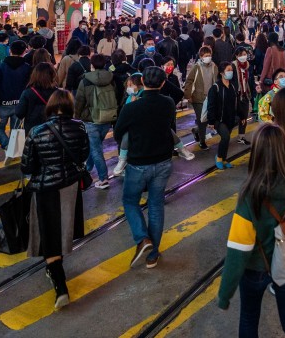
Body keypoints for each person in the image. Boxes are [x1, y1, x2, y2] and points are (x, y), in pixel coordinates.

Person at [216, 124, 285, 337]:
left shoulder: (250, 190)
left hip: (256, 269)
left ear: (256, 151)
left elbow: (239, 248)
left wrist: (225, 294)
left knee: (249, 319)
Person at [20, 89, 90, 310]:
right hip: (69, 185)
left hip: (45, 188)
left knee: (49, 235)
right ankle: (56, 268)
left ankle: (60, 287)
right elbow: (83, 155)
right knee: (65, 228)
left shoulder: (36, 131)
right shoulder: (79, 126)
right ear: (70, 106)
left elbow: (27, 166)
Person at [114, 66, 177, 270]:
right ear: (161, 83)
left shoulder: (132, 107)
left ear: (143, 84)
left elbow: (118, 132)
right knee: (156, 205)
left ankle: (142, 238)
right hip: (163, 161)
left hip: (138, 163)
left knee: (130, 200)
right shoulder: (168, 103)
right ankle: (153, 254)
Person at [74, 54, 119, 189]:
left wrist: (77, 116)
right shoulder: (111, 78)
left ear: (91, 65)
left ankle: (103, 178)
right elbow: (117, 95)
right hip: (108, 118)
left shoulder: (85, 81)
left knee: (96, 149)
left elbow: (79, 101)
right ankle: (87, 168)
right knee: (95, 146)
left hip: (91, 119)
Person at [0, 40, 32, 150]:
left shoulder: (1, 66)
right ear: (24, 52)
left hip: (2, 104)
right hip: (20, 103)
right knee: (17, 130)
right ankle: (14, 149)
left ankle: (7, 145)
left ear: (10, 51)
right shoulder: (27, 67)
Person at [205, 61, 240, 170]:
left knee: (226, 139)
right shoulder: (215, 88)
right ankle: (219, 158)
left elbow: (236, 103)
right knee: (225, 137)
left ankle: (224, 158)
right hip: (218, 120)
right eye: (228, 70)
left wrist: (240, 116)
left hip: (230, 118)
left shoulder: (232, 87)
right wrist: (211, 121)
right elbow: (211, 105)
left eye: (231, 70)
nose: (231, 72)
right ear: (221, 72)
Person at [185, 46, 218, 149]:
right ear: (201, 56)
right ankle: (202, 142)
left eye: (209, 55)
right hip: (198, 98)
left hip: (211, 98)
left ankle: (197, 130)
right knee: (202, 120)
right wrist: (188, 95)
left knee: (208, 119)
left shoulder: (214, 66)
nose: (208, 57)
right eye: (206, 56)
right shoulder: (196, 67)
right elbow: (189, 81)